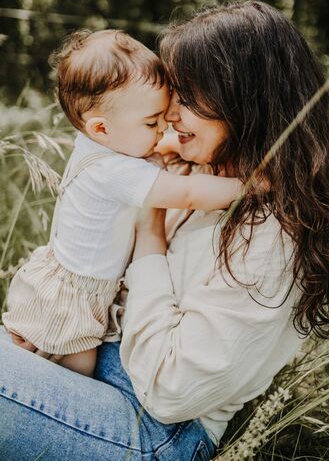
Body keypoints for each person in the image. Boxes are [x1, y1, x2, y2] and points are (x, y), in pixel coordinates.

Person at [0, 0, 329, 460]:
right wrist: (46, 338)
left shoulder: (274, 232)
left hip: (155, 430)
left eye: (185, 99)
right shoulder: (197, 166)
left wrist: (151, 231)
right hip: (94, 364)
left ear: (240, 102)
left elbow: (168, 394)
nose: (169, 115)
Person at [2, 29, 243, 377]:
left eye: (163, 118)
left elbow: (154, 145)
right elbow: (189, 192)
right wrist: (248, 185)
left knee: (46, 360)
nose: (163, 130)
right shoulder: (113, 172)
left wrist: (168, 142)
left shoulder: (102, 143)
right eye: (151, 122)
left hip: (73, 280)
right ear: (101, 128)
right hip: (75, 297)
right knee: (75, 373)